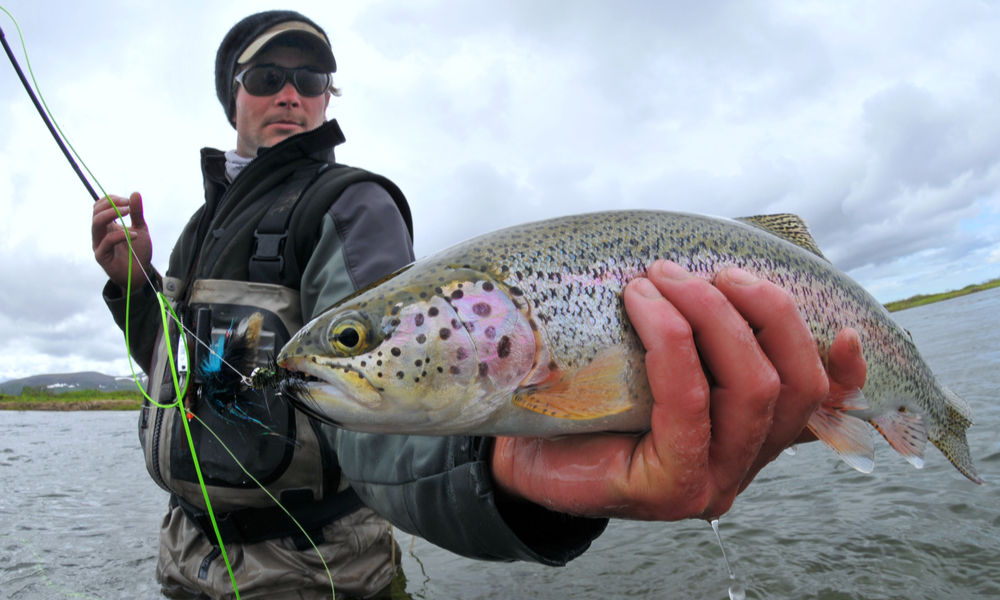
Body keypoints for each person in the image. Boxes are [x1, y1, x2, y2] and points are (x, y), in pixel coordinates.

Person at [92, 10, 866, 600]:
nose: (290, 92)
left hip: (315, 567)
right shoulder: (198, 229)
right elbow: (185, 371)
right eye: (266, 77)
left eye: (312, 77)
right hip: (184, 555)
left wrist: (503, 475)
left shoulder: (345, 205)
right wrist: (135, 288)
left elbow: (390, 419)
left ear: (329, 96)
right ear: (233, 93)